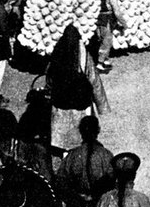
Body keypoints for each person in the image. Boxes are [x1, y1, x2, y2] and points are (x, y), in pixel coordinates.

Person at [47, 24, 109, 153]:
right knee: (78, 133)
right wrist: (102, 106)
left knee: (62, 130)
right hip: (80, 102)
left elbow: (49, 77)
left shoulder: (57, 53)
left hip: (61, 101)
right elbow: (94, 80)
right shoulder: (83, 56)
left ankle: (62, 151)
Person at [95, 0, 128, 73]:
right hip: (107, 20)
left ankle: (106, 60)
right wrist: (124, 23)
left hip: (99, 20)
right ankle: (100, 64)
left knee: (102, 39)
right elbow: (117, 12)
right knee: (107, 41)